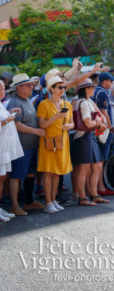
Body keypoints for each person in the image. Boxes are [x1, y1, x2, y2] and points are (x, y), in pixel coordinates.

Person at [6, 74, 46, 216]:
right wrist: (36, 131)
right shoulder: (15, 102)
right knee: (16, 176)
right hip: (21, 146)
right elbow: (16, 125)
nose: (31, 87)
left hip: (31, 145)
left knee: (30, 174)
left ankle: (29, 201)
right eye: (28, 85)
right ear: (19, 87)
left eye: (31, 84)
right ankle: (14, 206)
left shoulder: (27, 100)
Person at [37, 76, 74, 214]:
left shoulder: (67, 104)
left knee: (57, 172)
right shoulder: (44, 104)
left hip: (63, 141)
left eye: (64, 87)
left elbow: (73, 123)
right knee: (48, 171)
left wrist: (69, 125)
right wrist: (55, 118)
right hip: (49, 141)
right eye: (59, 87)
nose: (62, 90)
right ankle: (48, 202)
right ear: (51, 88)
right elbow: (42, 125)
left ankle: (53, 200)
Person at [70, 79, 109, 206]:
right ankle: (83, 197)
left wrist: (99, 123)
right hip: (84, 136)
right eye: (92, 87)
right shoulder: (84, 103)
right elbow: (87, 122)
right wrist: (99, 124)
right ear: (86, 89)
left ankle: (94, 194)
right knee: (84, 167)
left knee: (96, 166)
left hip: (89, 136)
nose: (94, 88)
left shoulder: (89, 101)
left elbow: (98, 118)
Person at [0, 79, 24, 223]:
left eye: (3, 89)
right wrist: (8, 120)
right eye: (1, 89)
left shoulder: (2, 104)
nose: (3, 92)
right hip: (1, 148)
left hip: (5, 148)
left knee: (3, 178)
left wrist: (10, 113)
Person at [92, 72, 114, 196]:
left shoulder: (94, 91)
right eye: (110, 81)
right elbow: (104, 112)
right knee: (101, 160)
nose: (111, 84)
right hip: (102, 129)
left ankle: (95, 187)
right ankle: (100, 187)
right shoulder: (102, 93)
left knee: (96, 160)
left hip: (94, 128)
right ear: (104, 81)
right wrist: (110, 126)